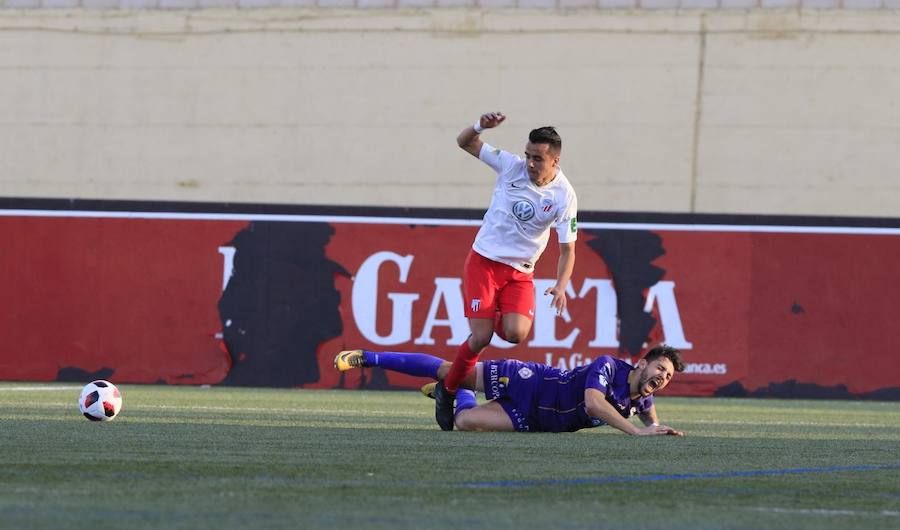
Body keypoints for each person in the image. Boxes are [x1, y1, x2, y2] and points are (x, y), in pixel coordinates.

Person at [436, 111, 578, 431]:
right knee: (482, 337)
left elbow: (568, 249)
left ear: (555, 160)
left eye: (538, 159)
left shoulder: (564, 196)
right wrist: (479, 127)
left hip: (519, 273)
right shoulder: (510, 165)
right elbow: (465, 143)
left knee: (515, 334)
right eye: (528, 155)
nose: (529, 163)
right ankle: (448, 390)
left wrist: (561, 285)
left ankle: (494, 313)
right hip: (484, 262)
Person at [334, 345, 685, 435]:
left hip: (535, 420)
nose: (662, 377)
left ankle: (451, 392)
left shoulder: (643, 397)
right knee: (448, 369)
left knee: (466, 423)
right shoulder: (609, 366)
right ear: (642, 363)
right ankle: (368, 357)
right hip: (529, 380)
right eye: (660, 369)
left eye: (667, 376)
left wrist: (652, 425)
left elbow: (647, 413)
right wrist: (637, 434)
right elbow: (593, 404)